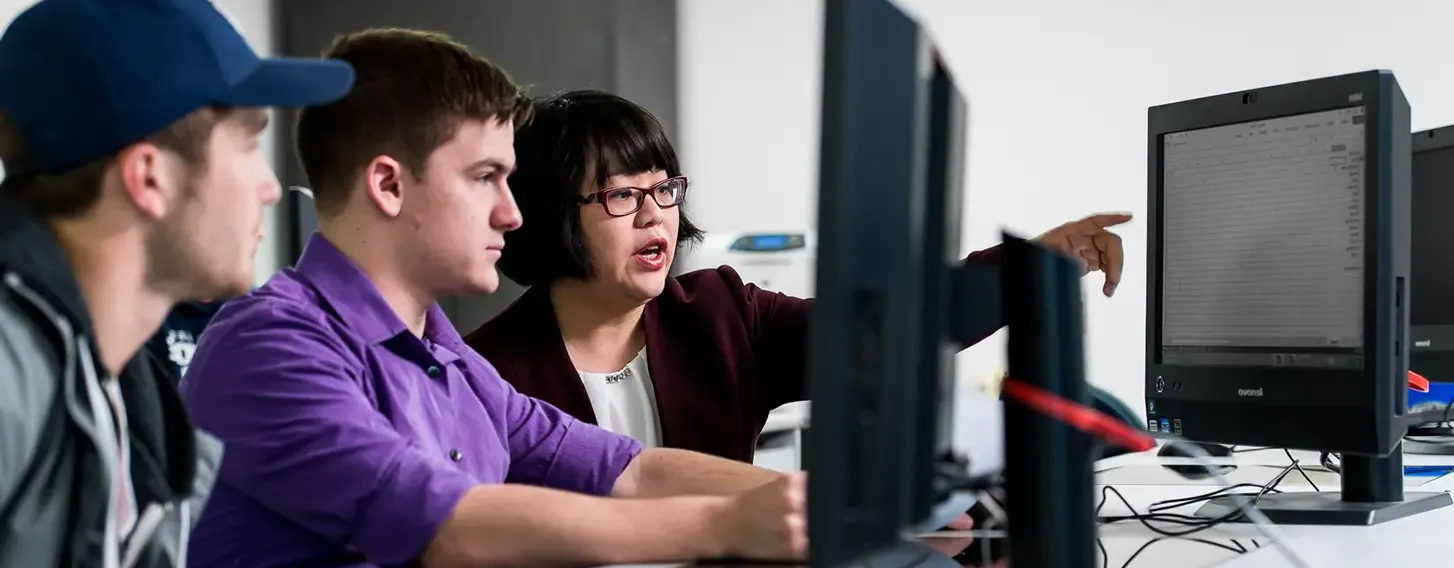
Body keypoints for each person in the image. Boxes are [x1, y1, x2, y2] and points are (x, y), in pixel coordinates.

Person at [179, 28, 815, 567]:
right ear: (389, 186)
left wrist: (806, 507)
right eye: (485, 178)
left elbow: (633, 472)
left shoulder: (454, 366)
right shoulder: (270, 347)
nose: (512, 214)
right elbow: (448, 526)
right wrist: (723, 526)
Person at [465, 89, 1131, 461]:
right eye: (620, 195)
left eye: (664, 189)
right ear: (553, 213)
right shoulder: (483, 373)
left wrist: (1034, 267)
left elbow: (891, 327)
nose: (655, 216)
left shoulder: (722, 315)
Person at [0, 0, 354, 566]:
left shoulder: (126, 397)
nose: (269, 188)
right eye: (247, 145)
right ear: (150, 177)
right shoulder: (12, 370)